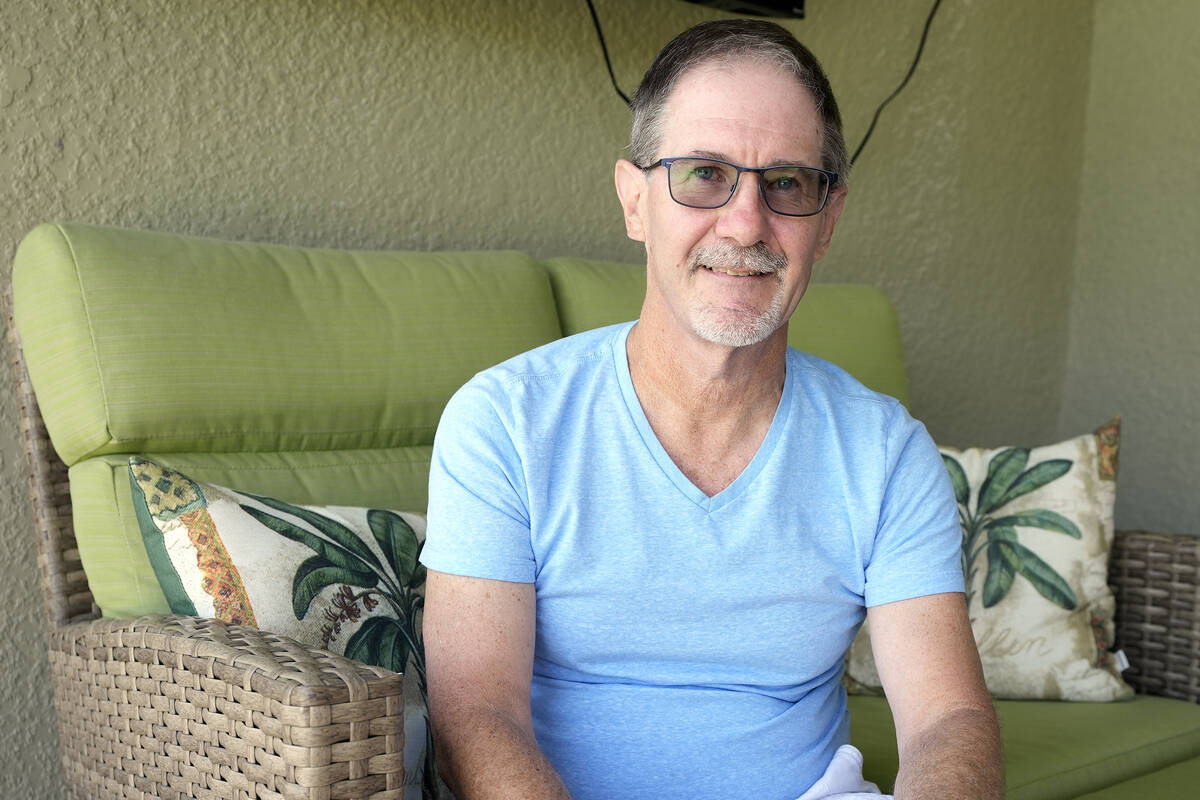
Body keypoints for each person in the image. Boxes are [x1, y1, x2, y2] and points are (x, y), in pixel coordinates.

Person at [419, 18, 1001, 800]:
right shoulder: (504, 422)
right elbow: (476, 715)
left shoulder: (886, 450)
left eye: (788, 183)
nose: (747, 222)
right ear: (635, 202)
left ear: (827, 222)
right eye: (703, 174)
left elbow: (948, 721)